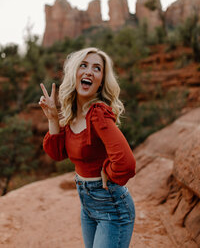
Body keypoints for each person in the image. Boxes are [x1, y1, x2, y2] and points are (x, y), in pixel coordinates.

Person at [39, 47, 136, 248]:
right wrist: (52, 118)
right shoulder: (73, 114)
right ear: (74, 73)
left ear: (101, 81)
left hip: (111, 207)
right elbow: (57, 153)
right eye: (83, 65)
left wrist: (106, 172)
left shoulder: (97, 113)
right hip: (87, 207)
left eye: (97, 68)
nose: (89, 72)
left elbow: (126, 164)